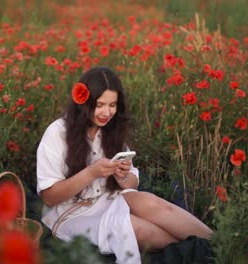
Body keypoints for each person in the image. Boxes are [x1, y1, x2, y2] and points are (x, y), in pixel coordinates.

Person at [36, 66, 212, 264]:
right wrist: (92, 172)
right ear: (84, 103)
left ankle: (218, 244)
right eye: (100, 104)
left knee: (153, 203)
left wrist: (123, 176)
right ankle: (203, 254)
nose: (107, 112)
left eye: (112, 105)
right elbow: (50, 197)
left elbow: (131, 184)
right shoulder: (57, 133)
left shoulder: (111, 130)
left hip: (108, 199)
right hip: (71, 214)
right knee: (138, 229)